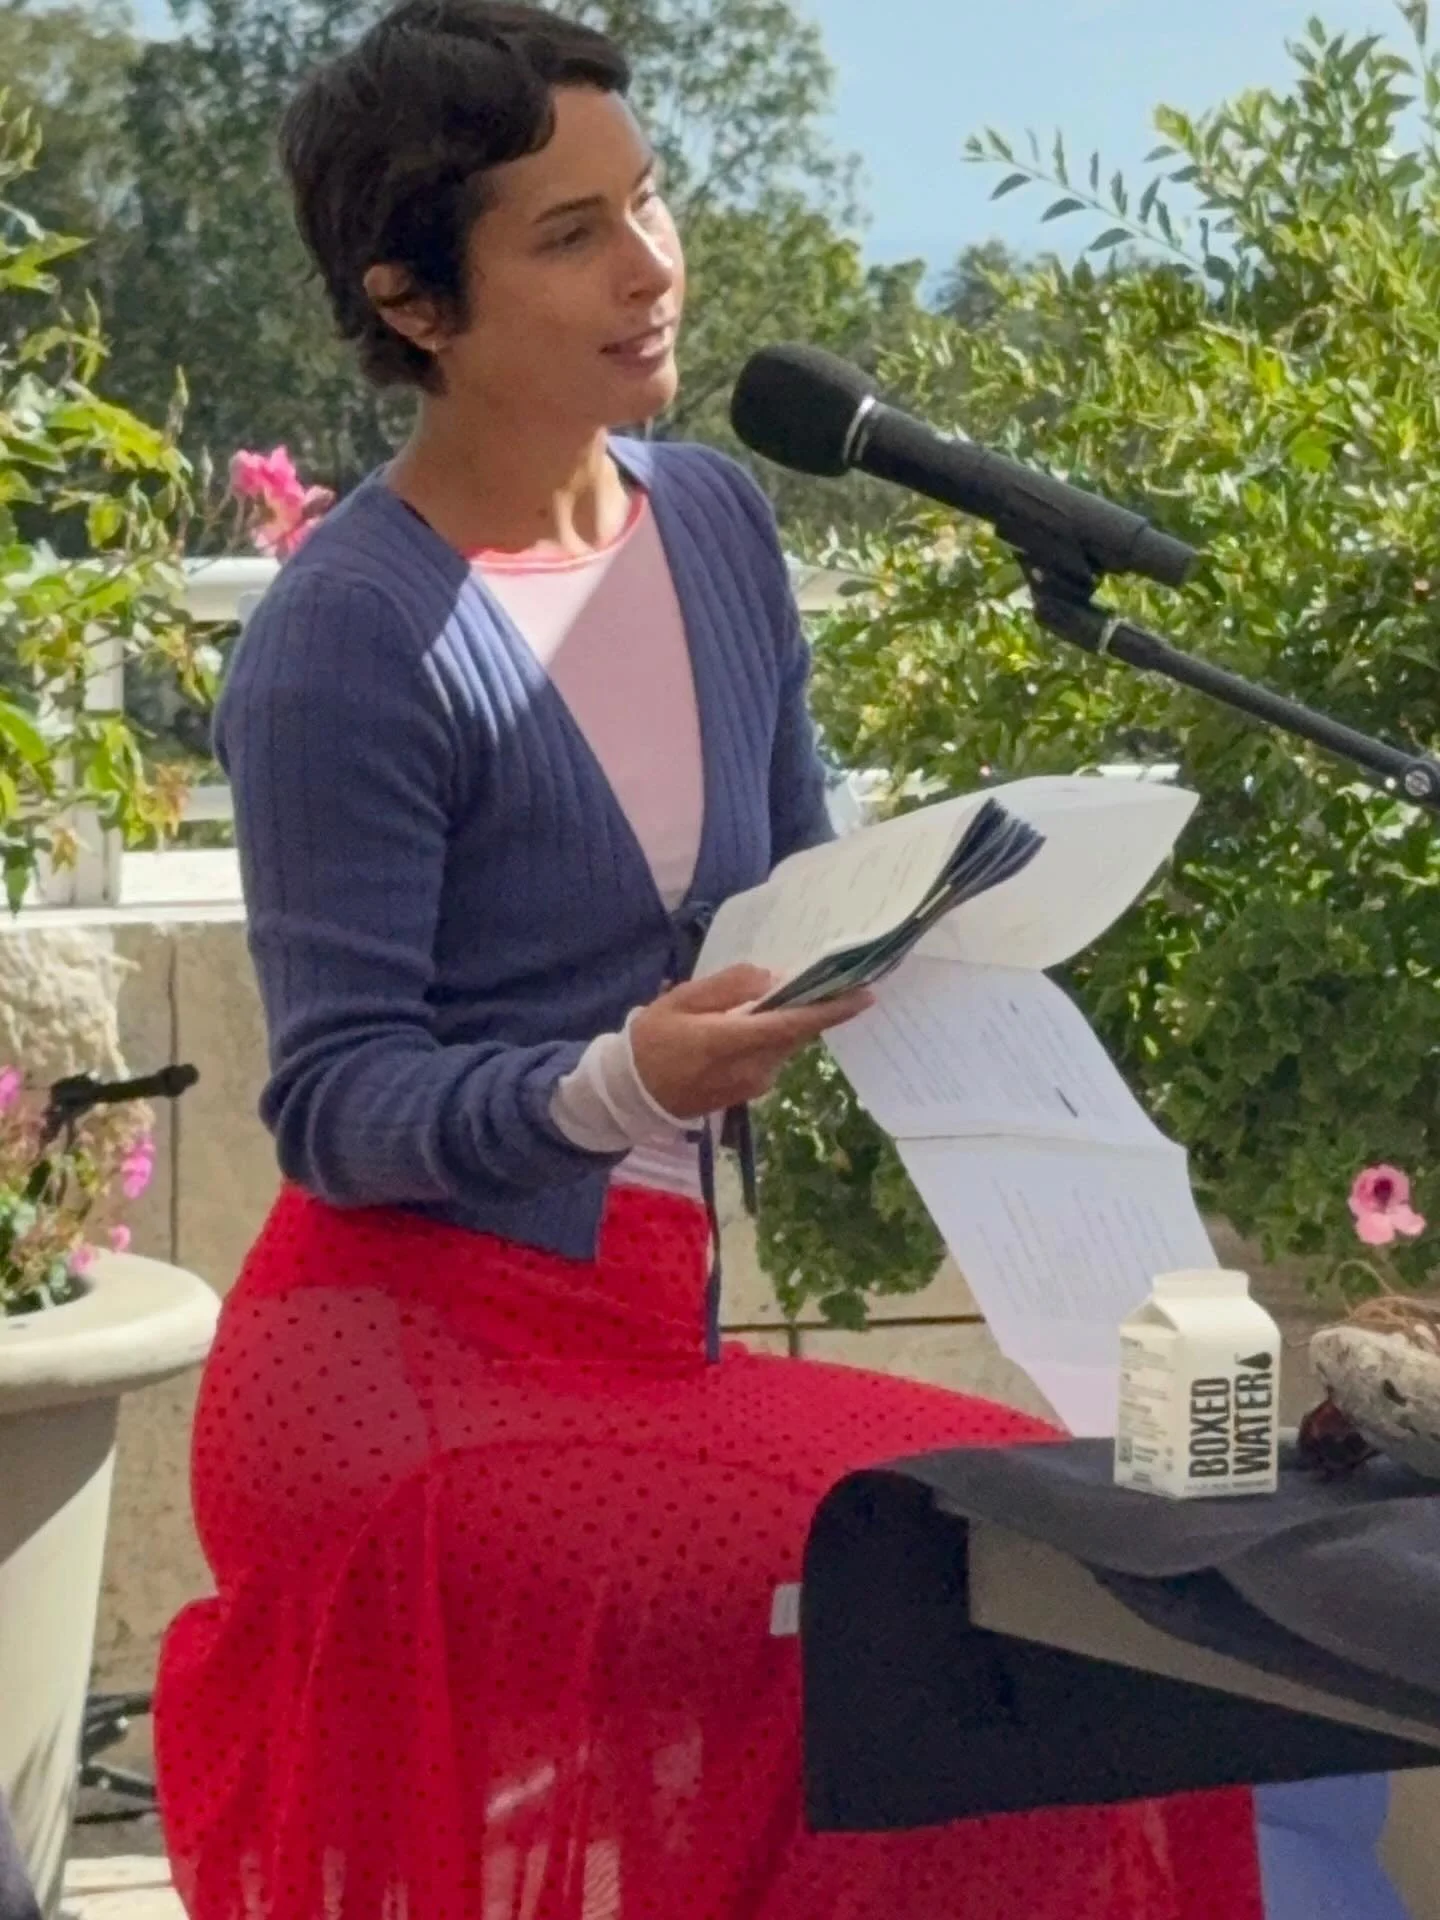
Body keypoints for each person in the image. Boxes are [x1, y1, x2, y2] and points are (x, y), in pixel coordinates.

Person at [152, 6, 1264, 1915]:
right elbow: (336, 1103)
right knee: (979, 1594)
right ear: (413, 303)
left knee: (1086, 1579)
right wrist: (620, 1081)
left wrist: (946, 920)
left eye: (648, 199)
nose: (651, 264)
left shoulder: (722, 526)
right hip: (408, 1385)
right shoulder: (349, 636)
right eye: (569, 232)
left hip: (649, 1347)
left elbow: (793, 881)